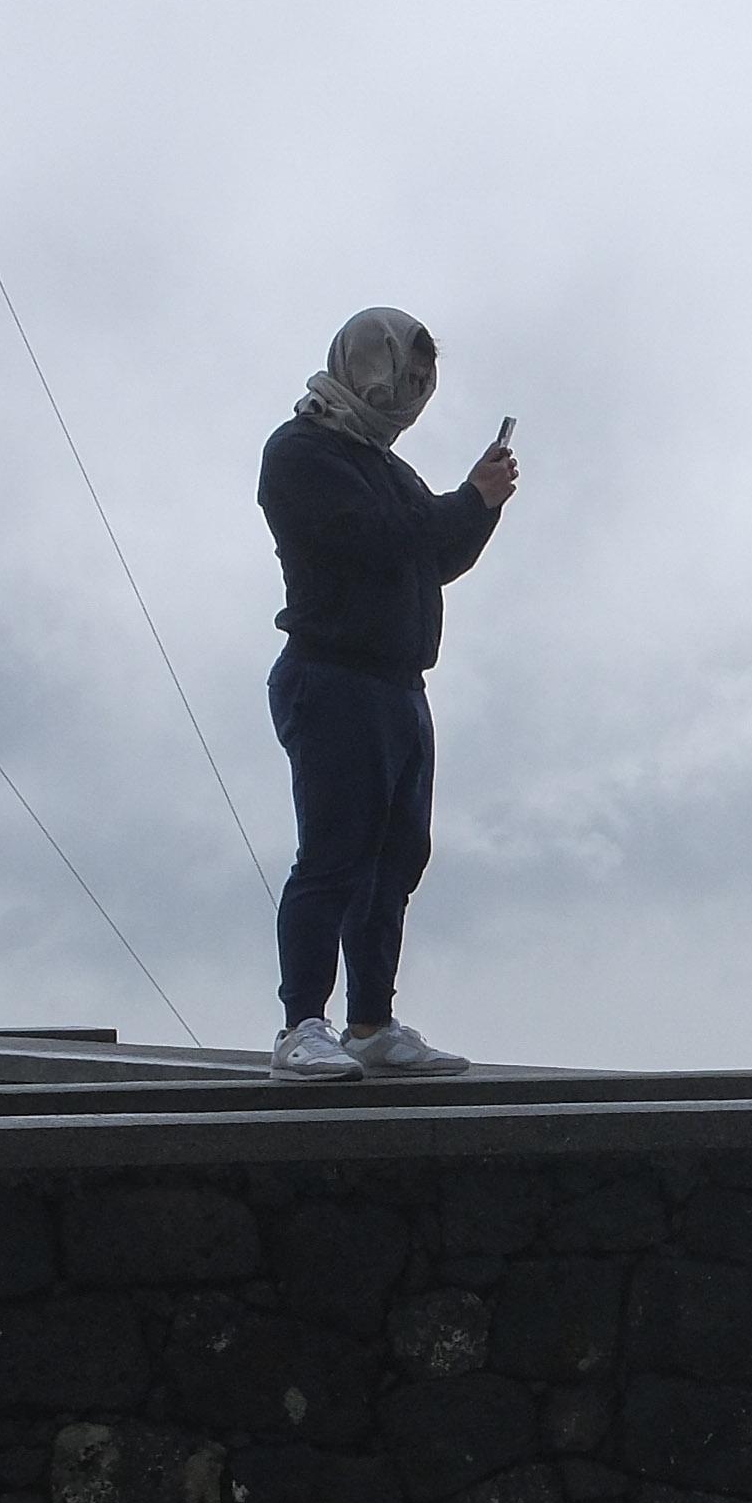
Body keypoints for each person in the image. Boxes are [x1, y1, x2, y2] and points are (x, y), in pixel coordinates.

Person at [257, 305, 519, 1080]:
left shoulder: (385, 466)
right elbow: (378, 542)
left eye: (423, 378)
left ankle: (370, 1023)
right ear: (367, 365)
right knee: (333, 856)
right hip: (331, 677)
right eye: (407, 371)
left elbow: (433, 556)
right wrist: (467, 500)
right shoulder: (302, 452)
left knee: (395, 860)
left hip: (399, 685)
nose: (414, 390)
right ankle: (301, 1026)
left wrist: (482, 506)